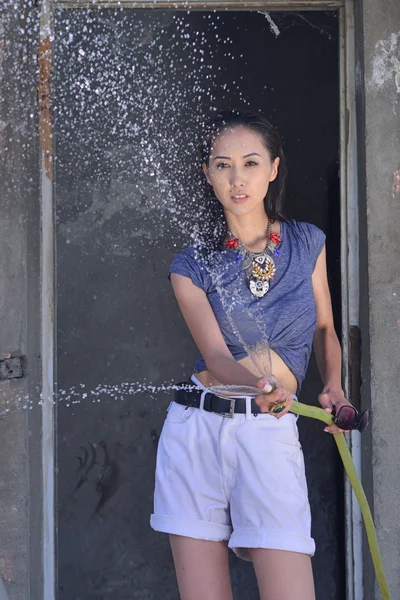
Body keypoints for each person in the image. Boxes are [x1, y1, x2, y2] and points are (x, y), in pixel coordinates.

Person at [150, 110, 357, 600]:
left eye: (250, 163)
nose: (237, 178)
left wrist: (333, 384)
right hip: (196, 433)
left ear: (273, 168)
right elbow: (217, 359)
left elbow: (325, 327)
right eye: (222, 165)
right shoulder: (192, 264)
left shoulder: (307, 243)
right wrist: (260, 385)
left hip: (268, 430)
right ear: (208, 174)